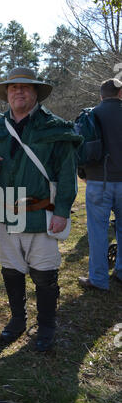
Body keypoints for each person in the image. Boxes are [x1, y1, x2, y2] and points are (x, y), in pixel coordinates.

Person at [0, 67, 82, 352]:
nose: (19, 92)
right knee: (11, 270)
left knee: (44, 274)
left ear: (36, 93)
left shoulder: (55, 127)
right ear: (7, 95)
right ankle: (18, 320)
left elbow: (67, 172)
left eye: (25, 87)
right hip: (6, 212)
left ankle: (47, 325)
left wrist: (62, 211)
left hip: (41, 212)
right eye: (13, 88)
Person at [78, 78, 122, 291]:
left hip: (98, 181)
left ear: (101, 95)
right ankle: (121, 272)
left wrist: (82, 172)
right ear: (120, 94)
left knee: (97, 232)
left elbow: (79, 147)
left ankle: (98, 278)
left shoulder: (91, 114)